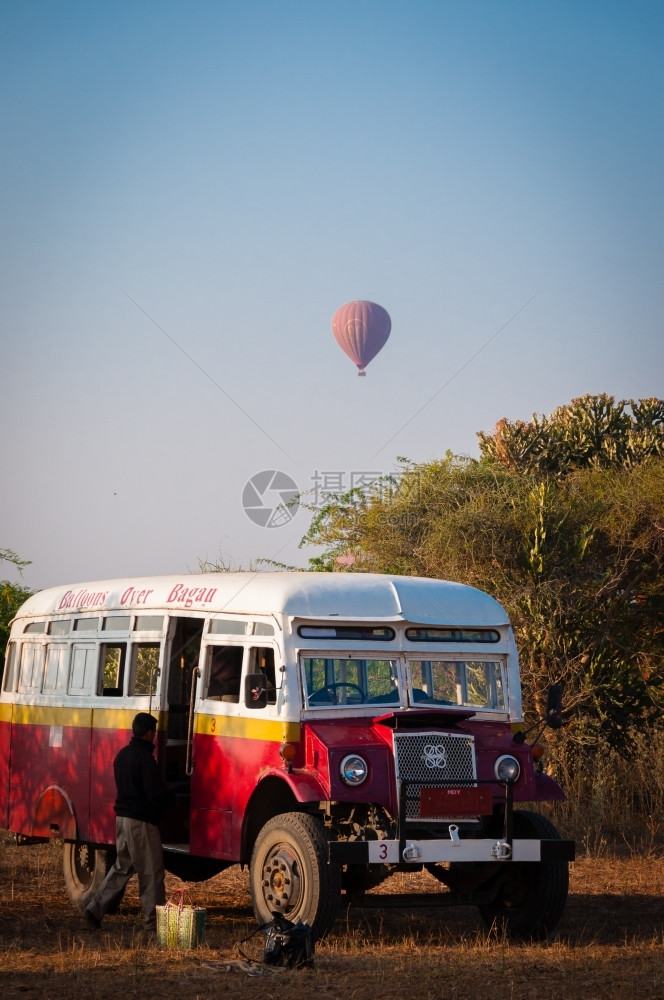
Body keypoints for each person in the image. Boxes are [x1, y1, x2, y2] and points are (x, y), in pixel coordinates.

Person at [83, 712, 175, 932]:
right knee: (151, 871)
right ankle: (152, 922)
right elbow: (153, 794)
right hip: (140, 823)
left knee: (122, 866)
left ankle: (94, 909)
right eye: (154, 733)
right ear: (149, 733)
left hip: (122, 820)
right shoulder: (146, 759)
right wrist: (171, 799)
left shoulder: (122, 755)